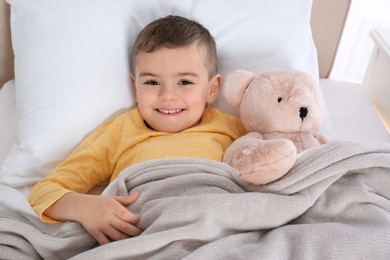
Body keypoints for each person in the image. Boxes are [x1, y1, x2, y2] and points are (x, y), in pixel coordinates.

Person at [28, 15, 246, 245]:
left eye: (185, 82)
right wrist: (85, 208)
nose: (167, 95)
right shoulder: (120, 131)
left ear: (212, 89)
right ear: (135, 87)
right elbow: (44, 191)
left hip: (219, 232)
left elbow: (274, 169)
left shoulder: (232, 128)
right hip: (144, 236)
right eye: (152, 82)